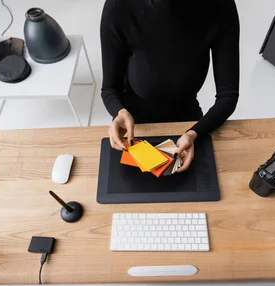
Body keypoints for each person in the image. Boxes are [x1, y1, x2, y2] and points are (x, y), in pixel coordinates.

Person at [100, 0, 240, 172]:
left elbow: (228, 96)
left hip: (190, 125)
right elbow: (109, 88)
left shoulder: (221, 6)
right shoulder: (119, 7)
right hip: (133, 127)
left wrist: (193, 133)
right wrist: (118, 111)